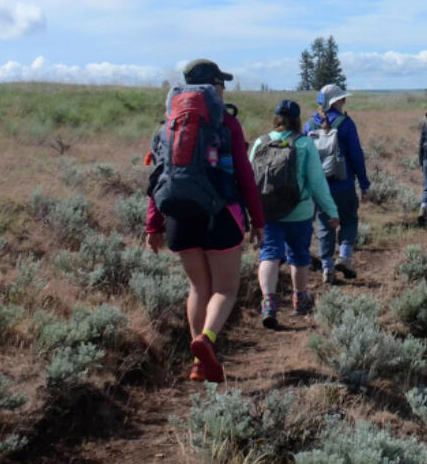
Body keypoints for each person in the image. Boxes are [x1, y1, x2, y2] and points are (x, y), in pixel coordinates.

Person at [145, 59, 265, 384]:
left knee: (198, 286)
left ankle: (199, 364)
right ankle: (207, 340)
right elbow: (244, 175)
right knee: (225, 289)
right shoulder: (226, 124)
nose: (224, 89)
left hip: (177, 217)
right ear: (213, 86)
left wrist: (153, 225)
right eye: (221, 83)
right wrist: (258, 220)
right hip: (220, 216)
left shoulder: (167, 126)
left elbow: (158, 177)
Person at [249, 100, 339, 329]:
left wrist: (248, 212)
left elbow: (249, 181)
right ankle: (300, 298)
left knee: (269, 253)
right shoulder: (305, 144)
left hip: (267, 211)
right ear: (298, 120)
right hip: (299, 212)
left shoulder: (261, 142)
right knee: (299, 254)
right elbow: (317, 182)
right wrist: (331, 210)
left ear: (276, 118)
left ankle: (268, 302)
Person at [304, 84, 370, 283]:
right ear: (336, 102)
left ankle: (327, 269)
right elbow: (357, 156)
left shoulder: (309, 124)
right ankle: (344, 256)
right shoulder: (346, 123)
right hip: (344, 185)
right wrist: (364, 184)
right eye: (342, 99)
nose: (344, 102)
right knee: (349, 221)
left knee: (325, 227)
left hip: (319, 188)